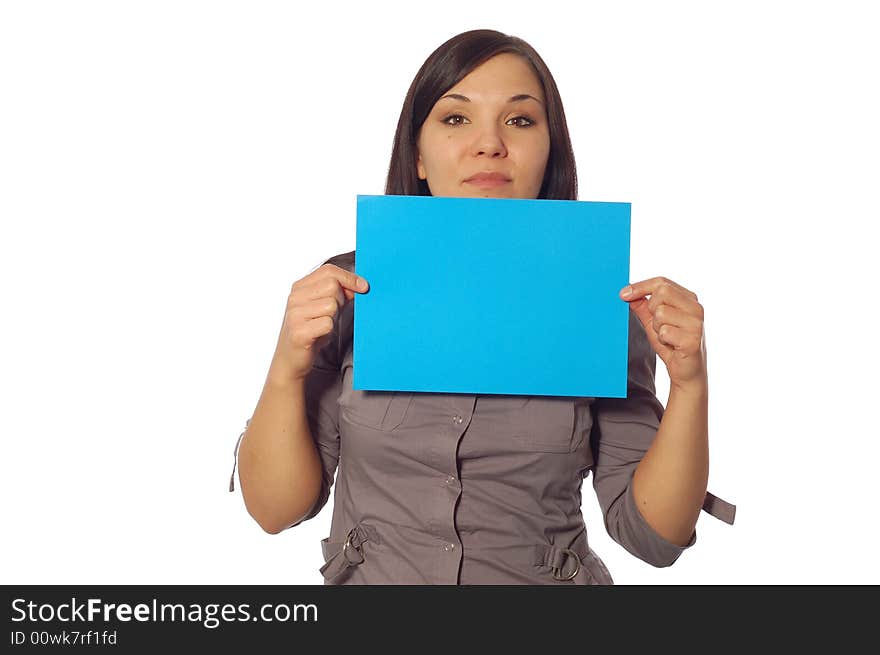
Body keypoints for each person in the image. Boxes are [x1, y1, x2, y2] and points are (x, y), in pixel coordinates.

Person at [228, 29, 735, 584]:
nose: (489, 143)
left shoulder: (602, 305)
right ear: (418, 156)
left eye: (519, 120)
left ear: (550, 151)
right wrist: (285, 367)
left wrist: (690, 384)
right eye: (456, 118)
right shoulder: (350, 289)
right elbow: (275, 511)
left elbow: (652, 536)